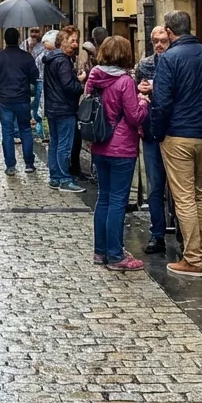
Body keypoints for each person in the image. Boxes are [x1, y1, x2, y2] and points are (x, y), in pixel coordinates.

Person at [149, 10, 202, 279]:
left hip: (178, 133)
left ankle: (192, 258)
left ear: (169, 31)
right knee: (201, 194)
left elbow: (162, 101)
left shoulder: (169, 58)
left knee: (184, 198)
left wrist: (158, 132)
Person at [86, 36, 148, 271]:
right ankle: (115, 255)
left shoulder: (94, 77)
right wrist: (143, 102)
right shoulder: (124, 81)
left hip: (100, 143)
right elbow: (134, 117)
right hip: (121, 147)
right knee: (118, 201)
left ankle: (100, 251)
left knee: (104, 197)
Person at [135, 25, 171, 254]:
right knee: (155, 186)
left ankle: (179, 228)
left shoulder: (177, 63)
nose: (158, 44)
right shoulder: (145, 65)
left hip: (174, 131)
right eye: (155, 40)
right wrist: (140, 90)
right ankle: (157, 233)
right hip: (150, 131)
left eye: (163, 40)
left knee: (179, 189)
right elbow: (135, 93)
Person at [0, 27, 40, 176]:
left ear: (5, 40)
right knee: (25, 130)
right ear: (18, 39)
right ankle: (29, 163)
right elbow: (34, 76)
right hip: (22, 98)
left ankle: (10, 166)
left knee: (7, 132)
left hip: (4, 99)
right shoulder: (26, 57)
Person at [42, 26, 86, 192]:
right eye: (72, 41)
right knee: (64, 145)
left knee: (55, 143)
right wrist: (80, 82)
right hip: (64, 108)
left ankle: (54, 177)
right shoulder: (62, 61)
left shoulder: (52, 59)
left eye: (76, 41)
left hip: (53, 107)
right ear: (62, 42)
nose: (75, 44)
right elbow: (68, 86)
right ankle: (64, 179)